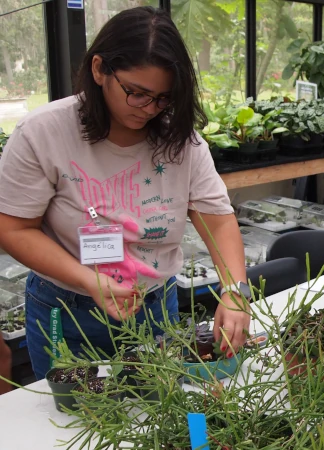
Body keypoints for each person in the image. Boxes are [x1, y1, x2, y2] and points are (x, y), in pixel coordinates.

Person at [0, 7, 251, 380]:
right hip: (68, 309)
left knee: (155, 411)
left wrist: (235, 291)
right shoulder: (43, 133)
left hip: (154, 306)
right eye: (136, 93)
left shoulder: (182, 143)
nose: (149, 109)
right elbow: (14, 229)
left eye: (164, 98)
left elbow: (217, 219)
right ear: (100, 69)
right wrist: (88, 280)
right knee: (75, 425)